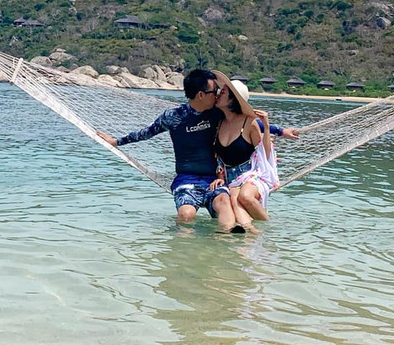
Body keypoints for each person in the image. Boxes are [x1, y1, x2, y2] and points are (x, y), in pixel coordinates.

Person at [96, 69, 247, 232]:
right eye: (213, 91)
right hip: (186, 179)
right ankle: (181, 253)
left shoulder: (218, 113)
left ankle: (225, 243)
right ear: (201, 95)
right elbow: (146, 133)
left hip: (213, 179)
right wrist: (117, 141)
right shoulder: (174, 116)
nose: (217, 95)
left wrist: (273, 130)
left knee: (224, 203)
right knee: (186, 214)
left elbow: (242, 123)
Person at [213, 74, 295, 224]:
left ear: (232, 99)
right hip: (230, 178)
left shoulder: (250, 123)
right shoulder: (218, 122)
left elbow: (265, 153)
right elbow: (217, 155)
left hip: (252, 174)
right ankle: (253, 238)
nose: (218, 94)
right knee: (235, 205)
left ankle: (267, 227)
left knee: (244, 197)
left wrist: (270, 128)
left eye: (223, 92)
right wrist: (219, 176)